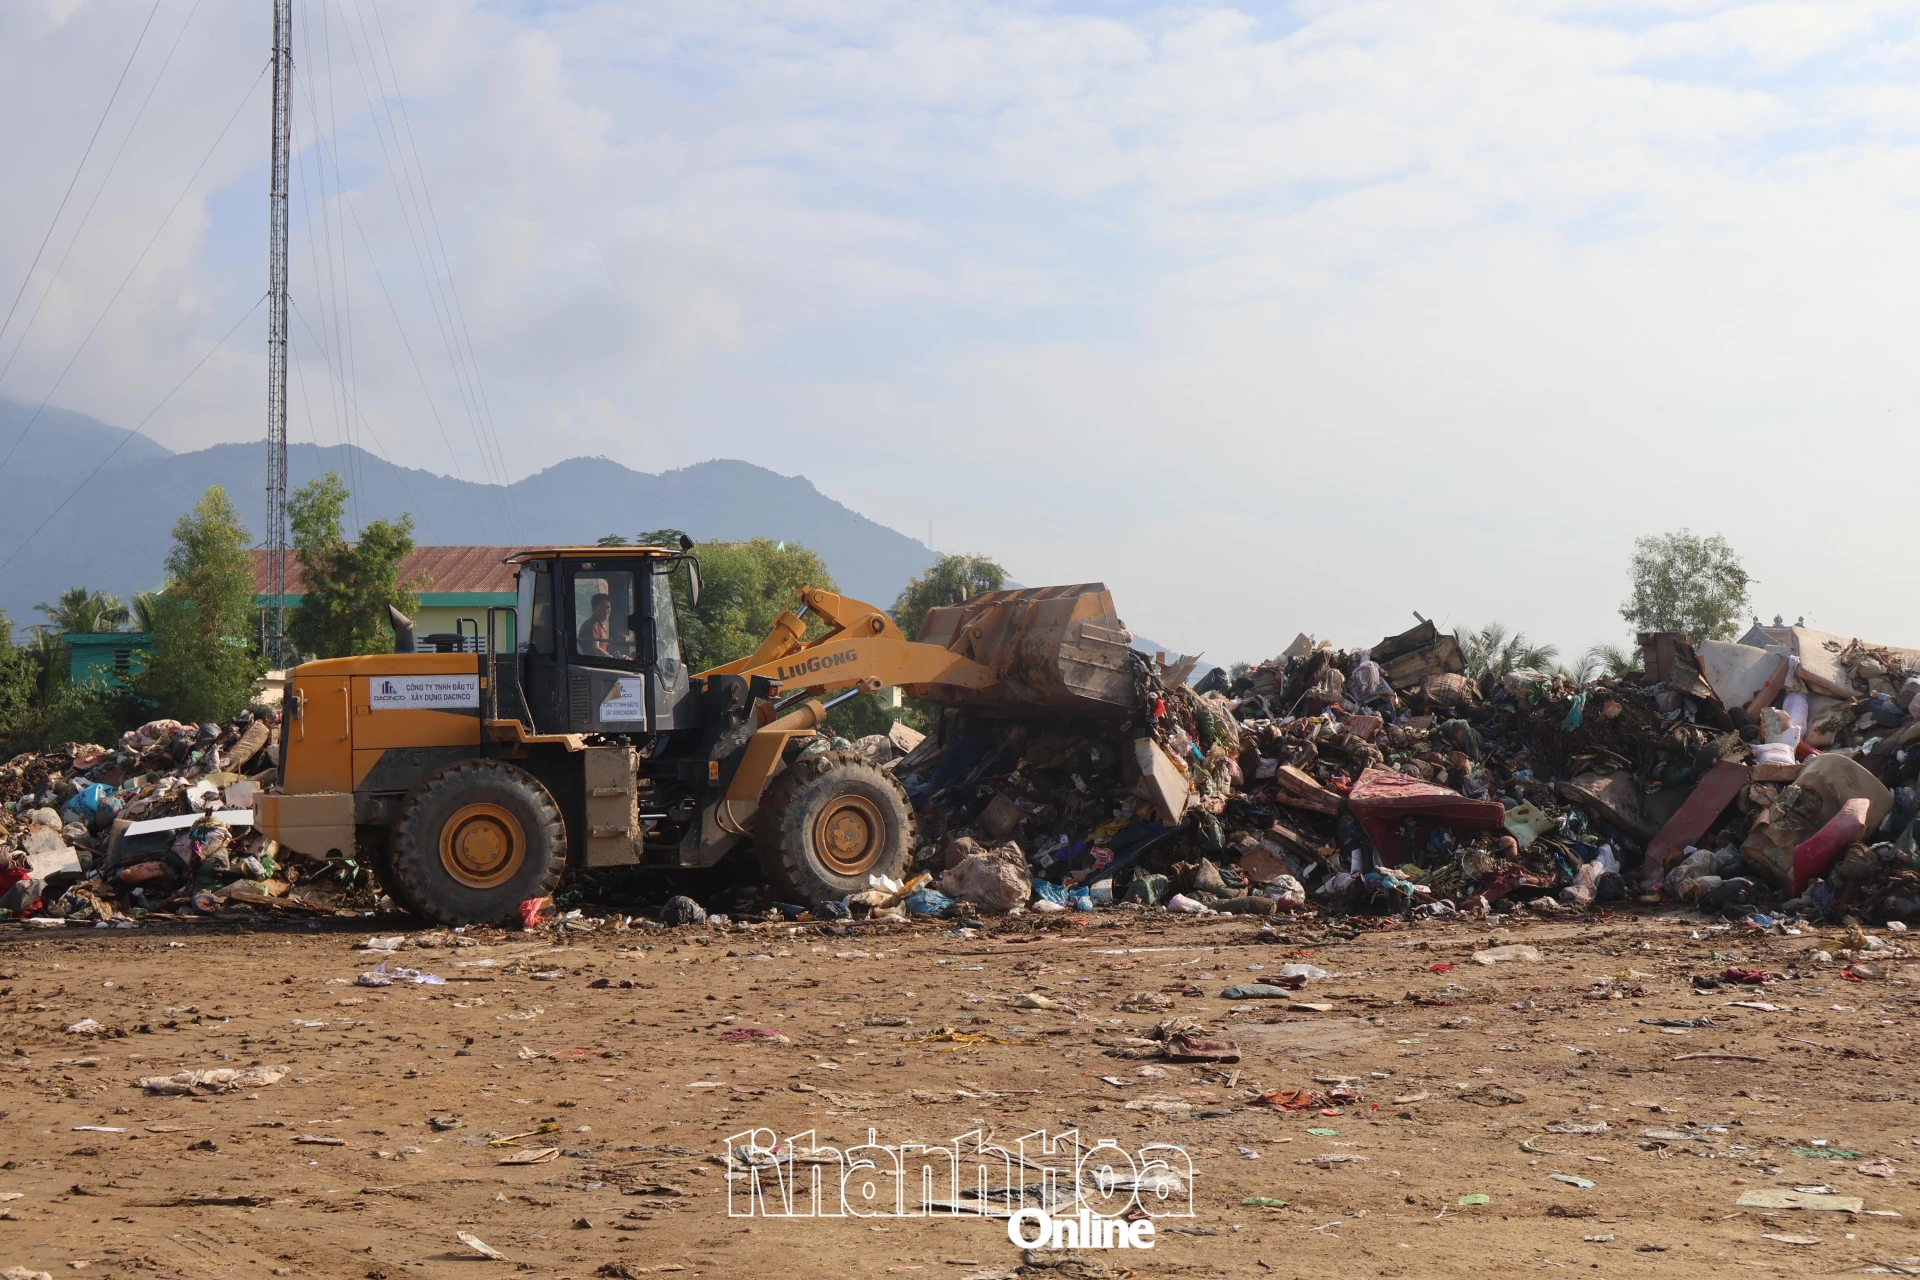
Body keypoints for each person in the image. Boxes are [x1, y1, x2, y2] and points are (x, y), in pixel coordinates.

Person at [583, 593, 615, 658]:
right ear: (593, 609)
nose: (606, 611)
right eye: (602, 608)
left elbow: (603, 647)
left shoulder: (601, 625)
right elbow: (595, 649)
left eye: (608, 607)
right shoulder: (593, 625)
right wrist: (612, 658)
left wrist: (617, 643)